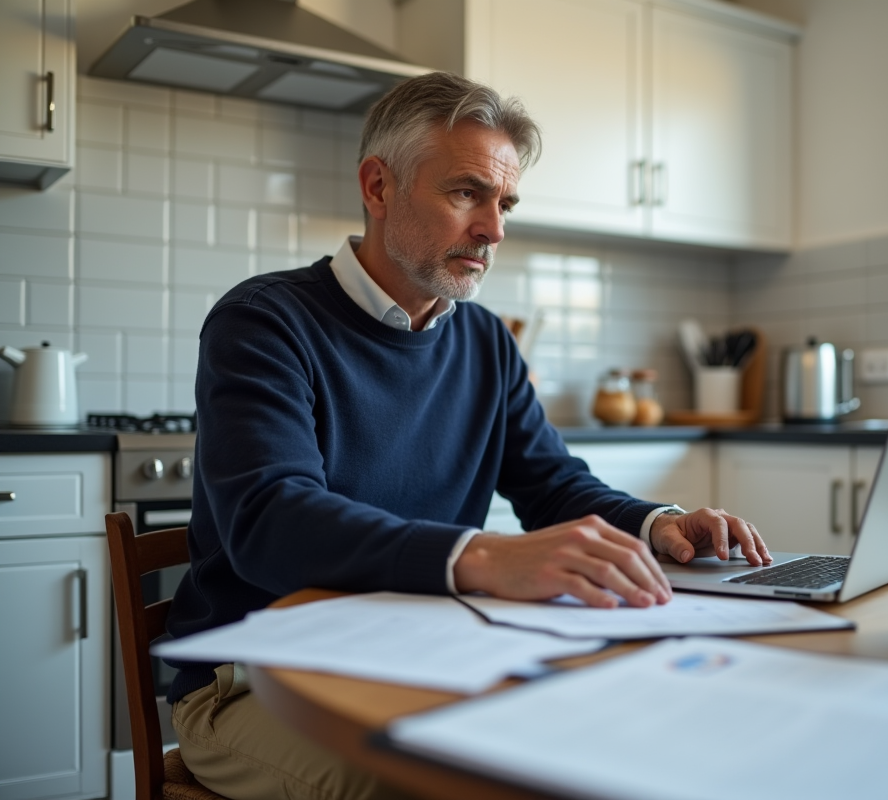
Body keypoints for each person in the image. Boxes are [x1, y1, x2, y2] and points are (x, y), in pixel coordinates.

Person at [166, 71, 771, 800]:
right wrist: (483, 555)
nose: (494, 229)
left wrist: (659, 523)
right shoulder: (265, 321)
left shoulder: (484, 341)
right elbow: (270, 520)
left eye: (505, 202)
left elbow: (553, 485)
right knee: (421, 783)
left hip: (422, 653)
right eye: (466, 193)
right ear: (378, 187)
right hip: (253, 681)